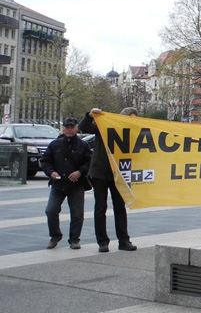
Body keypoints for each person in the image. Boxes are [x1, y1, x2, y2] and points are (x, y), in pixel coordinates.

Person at [78, 107, 137, 252]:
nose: (132, 122)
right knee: (100, 207)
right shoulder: (105, 125)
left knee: (120, 207)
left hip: (119, 173)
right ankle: (102, 242)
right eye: (130, 118)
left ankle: (124, 240)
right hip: (100, 171)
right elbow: (84, 127)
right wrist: (89, 115)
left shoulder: (134, 131)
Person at [40, 118, 92, 250]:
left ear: (76, 128)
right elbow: (45, 161)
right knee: (51, 211)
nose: (69, 129)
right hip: (58, 184)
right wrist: (50, 172)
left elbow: (89, 162)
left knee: (77, 214)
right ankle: (55, 235)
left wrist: (80, 172)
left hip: (76, 185)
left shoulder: (83, 145)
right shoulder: (54, 144)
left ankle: (74, 239)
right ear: (63, 129)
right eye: (67, 127)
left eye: (72, 127)